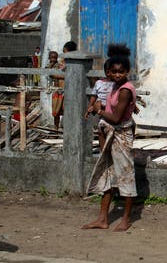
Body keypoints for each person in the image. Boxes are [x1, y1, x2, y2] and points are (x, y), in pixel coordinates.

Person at [83, 43, 137, 232]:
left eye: (120, 72)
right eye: (113, 72)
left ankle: (126, 219)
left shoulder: (124, 90)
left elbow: (115, 117)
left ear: (127, 72)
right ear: (109, 72)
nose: (116, 75)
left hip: (121, 135)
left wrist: (98, 109)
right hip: (110, 133)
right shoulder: (115, 86)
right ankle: (103, 218)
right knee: (106, 175)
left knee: (125, 177)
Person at [85, 59, 114, 150]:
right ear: (108, 72)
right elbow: (94, 96)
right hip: (101, 112)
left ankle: (110, 153)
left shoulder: (117, 84)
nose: (117, 74)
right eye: (115, 71)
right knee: (101, 131)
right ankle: (103, 152)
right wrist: (89, 107)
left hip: (112, 112)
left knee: (113, 133)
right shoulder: (99, 83)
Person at [50, 41, 77, 130]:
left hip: (68, 90)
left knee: (66, 110)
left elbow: (70, 75)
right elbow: (51, 72)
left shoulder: (73, 63)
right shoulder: (60, 62)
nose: (63, 53)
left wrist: (57, 75)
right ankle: (55, 129)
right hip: (58, 89)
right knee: (56, 111)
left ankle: (68, 130)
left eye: (65, 51)